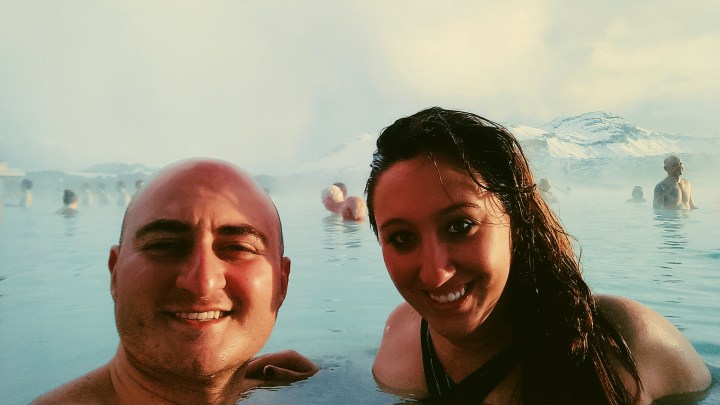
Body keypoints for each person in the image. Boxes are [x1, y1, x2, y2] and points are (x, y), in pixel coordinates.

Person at [365, 107, 710, 405]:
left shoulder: (628, 346)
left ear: (516, 221)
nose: (435, 272)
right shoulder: (402, 344)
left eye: (461, 226)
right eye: (401, 237)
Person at [33, 158, 318, 405]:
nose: (202, 282)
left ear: (282, 282)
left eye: (238, 248)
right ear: (115, 273)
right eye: (164, 245)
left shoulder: (301, 389)